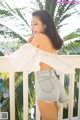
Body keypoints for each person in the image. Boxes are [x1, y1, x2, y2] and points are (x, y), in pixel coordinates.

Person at [3, 10, 74, 120]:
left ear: (45, 25)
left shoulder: (40, 37)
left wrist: (10, 54)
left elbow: (23, 55)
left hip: (45, 83)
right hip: (53, 82)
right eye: (31, 24)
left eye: (35, 24)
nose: (33, 28)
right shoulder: (52, 39)